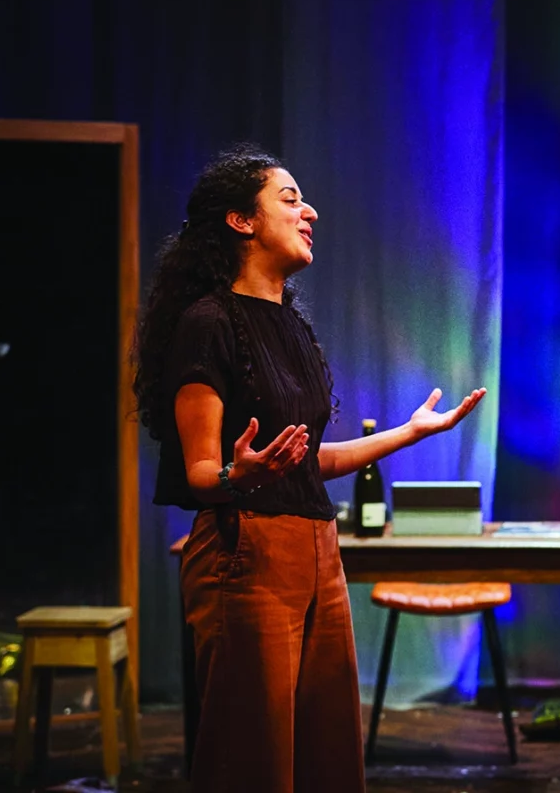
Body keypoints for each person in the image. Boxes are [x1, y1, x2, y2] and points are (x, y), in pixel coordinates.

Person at [133, 144, 486, 793]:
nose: (310, 211)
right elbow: (203, 471)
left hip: (316, 551)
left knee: (327, 752)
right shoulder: (207, 325)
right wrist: (241, 474)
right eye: (290, 199)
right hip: (247, 554)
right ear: (242, 222)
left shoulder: (291, 328)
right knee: (254, 759)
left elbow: (307, 463)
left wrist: (408, 434)